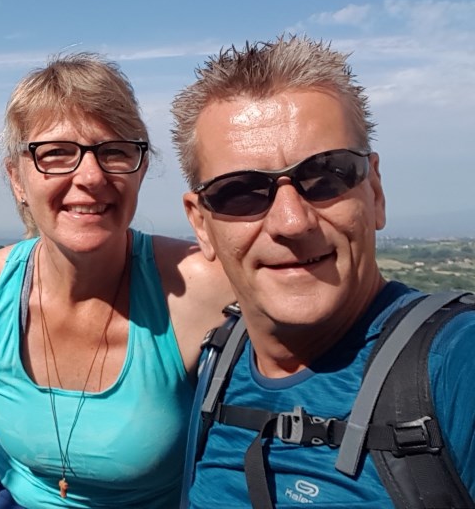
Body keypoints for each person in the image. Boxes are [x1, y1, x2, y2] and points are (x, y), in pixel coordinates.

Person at [0, 52, 233, 508]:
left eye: (114, 152)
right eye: (56, 154)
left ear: (141, 169)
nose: (90, 176)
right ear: (17, 180)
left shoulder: (200, 289)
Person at [172, 35, 475, 507]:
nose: (292, 222)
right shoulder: (219, 362)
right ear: (201, 225)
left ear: (375, 192)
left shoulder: (456, 364)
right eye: (241, 192)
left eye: (327, 177)